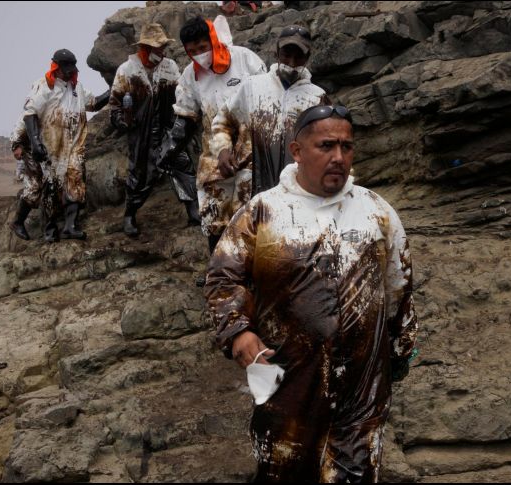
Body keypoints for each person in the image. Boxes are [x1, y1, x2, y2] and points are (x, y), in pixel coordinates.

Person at [205, 105, 419, 482]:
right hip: (288, 386)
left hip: (361, 394)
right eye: (326, 146)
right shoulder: (263, 212)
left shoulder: (377, 213)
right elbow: (223, 277)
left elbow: (399, 289)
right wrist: (238, 331)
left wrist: (399, 354)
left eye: (346, 147)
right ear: (297, 151)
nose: (339, 157)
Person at [156, 15, 266, 259]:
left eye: (202, 47)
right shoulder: (189, 75)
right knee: (213, 210)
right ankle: (219, 267)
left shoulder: (244, 58)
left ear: (213, 40)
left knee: (250, 208)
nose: (199, 54)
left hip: (252, 145)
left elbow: (267, 97)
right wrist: (170, 148)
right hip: (214, 151)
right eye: (192, 51)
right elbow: (186, 116)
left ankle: (252, 267)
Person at [210, 25, 328, 196]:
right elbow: (222, 121)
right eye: (286, 55)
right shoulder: (251, 86)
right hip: (249, 185)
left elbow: (324, 143)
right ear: (276, 54)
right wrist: (222, 150)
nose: (291, 63)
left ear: (307, 58)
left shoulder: (317, 97)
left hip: (296, 188)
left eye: (299, 57)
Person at [109, 23, 200, 237]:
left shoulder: (169, 66)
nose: (162, 51)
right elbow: (115, 103)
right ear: (145, 49)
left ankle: (192, 210)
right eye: (158, 48)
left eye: (162, 47)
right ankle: (130, 215)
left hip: (168, 128)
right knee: (139, 176)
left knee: (182, 165)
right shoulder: (127, 70)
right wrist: (122, 122)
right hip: (141, 133)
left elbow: (182, 95)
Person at [10, 49, 109, 242]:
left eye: (72, 68)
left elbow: (94, 103)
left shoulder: (77, 88)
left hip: (73, 146)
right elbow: (29, 115)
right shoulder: (44, 87)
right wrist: (33, 143)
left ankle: (71, 226)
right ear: (56, 66)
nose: (69, 72)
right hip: (49, 147)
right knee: (47, 187)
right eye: (65, 68)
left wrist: (114, 89)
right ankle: (48, 229)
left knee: (76, 182)